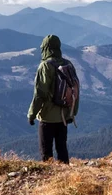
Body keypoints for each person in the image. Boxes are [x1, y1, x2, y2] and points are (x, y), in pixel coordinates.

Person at [28, 35, 79, 164]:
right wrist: (72, 112)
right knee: (62, 149)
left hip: (47, 118)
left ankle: (50, 180)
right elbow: (75, 89)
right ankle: (65, 178)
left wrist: (32, 114)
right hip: (64, 115)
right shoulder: (68, 64)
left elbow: (40, 94)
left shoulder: (45, 66)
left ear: (45, 48)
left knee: (46, 152)